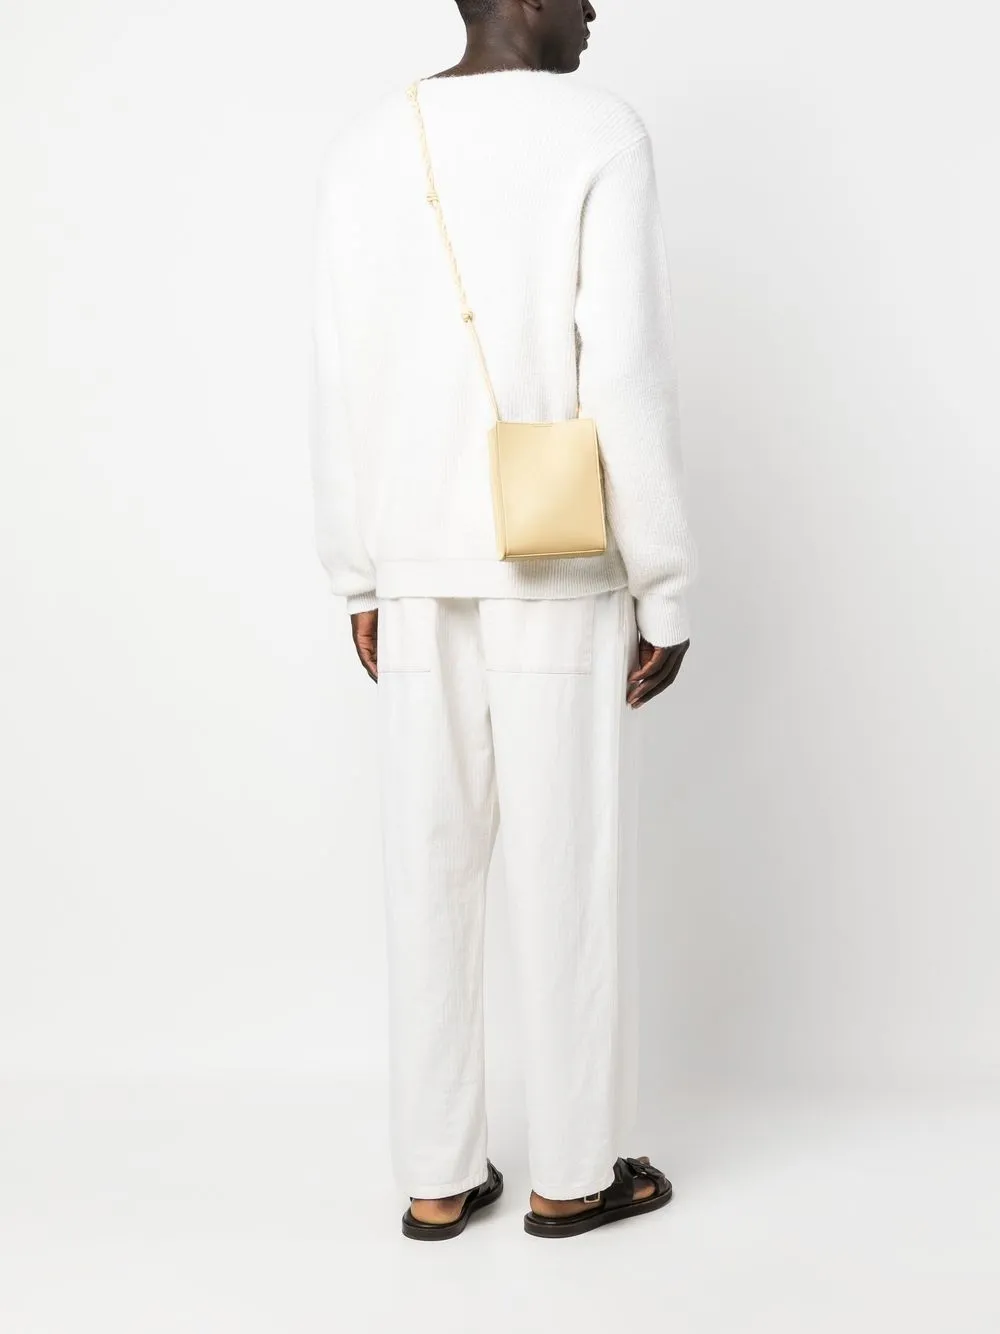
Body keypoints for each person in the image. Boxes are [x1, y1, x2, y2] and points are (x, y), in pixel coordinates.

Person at [310, 0, 696, 1240]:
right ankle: (572, 1173)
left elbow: (338, 368)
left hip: (414, 566)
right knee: (565, 865)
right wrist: (665, 582)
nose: (593, 10)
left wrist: (357, 574)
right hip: (556, 556)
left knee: (426, 870)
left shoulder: (371, 142)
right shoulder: (597, 131)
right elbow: (622, 363)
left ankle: (436, 1175)